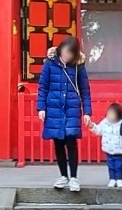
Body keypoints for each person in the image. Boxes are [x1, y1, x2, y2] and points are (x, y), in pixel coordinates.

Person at [35, 36, 91, 191]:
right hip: (54, 108)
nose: (67, 56)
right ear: (60, 49)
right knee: (58, 142)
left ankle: (73, 177)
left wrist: (87, 111)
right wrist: (41, 108)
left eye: (71, 53)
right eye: (66, 52)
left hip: (72, 107)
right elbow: (43, 87)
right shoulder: (50, 64)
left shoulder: (78, 66)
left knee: (71, 142)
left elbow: (85, 90)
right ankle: (63, 176)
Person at [89, 103, 122, 188]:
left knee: (118, 165)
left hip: (119, 150)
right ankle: (112, 179)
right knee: (110, 165)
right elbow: (98, 130)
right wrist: (92, 126)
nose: (109, 115)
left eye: (112, 113)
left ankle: (119, 179)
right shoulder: (104, 123)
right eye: (109, 113)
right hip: (108, 149)